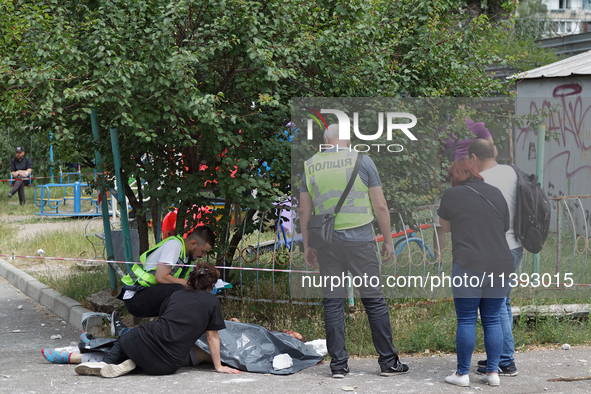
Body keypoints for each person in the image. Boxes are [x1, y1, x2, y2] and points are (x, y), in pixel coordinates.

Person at [299, 124, 408, 378]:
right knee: (373, 299)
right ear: (347, 140)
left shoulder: (310, 165)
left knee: (333, 302)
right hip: (359, 240)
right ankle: (388, 362)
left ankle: (338, 365)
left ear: (326, 141)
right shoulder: (363, 160)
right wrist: (388, 240)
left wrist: (308, 245)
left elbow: (304, 211)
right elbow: (380, 205)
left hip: (326, 243)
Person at [74, 262, 240, 378]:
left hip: (146, 342)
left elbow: (163, 319)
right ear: (212, 286)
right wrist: (218, 367)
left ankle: (107, 362)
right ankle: (133, 364)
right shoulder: (212, 302)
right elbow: (212, 337)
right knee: (145, 351)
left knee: (124, 339)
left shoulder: (176, 294)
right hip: (168, 365)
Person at [437, 159, 514, 387]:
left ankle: (462, 374)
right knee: (491, 319)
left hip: (469, 263)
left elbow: (446, 227)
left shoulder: (451, 195)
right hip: (501, 263)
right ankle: (492, 373)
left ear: (455, 176)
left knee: (467, 319)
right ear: (474, 172)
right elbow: (505, 226)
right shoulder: (495, 192)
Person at [468, 138, 523, 377]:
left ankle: (504, 360)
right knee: (504, 301)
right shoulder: (512, 172)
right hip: (516, 245)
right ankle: (501, 355)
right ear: (494, 153)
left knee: (496, 304)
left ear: (473, 158)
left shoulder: (482, 181)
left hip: (495, 249)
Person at [432, 119, 498, 263]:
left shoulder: (478, 125)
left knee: (471, 219)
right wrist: (436, 179)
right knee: (439, 223)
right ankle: (438, 261)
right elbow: (436, 155)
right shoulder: (442, 126)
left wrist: (481, 173)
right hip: (447, 180)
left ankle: (471, 257)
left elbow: (492, 151)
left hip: (469, 180)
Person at [117, 225, 215, 317]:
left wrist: (204, 284)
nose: (203, 256)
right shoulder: (174, 245)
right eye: (203, 251)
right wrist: (192, 284)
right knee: (179, 292)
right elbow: (161, 278)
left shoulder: (188, 258)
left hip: (147, 293)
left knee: (190, 295)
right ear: (193, 243)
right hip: (135, 296)